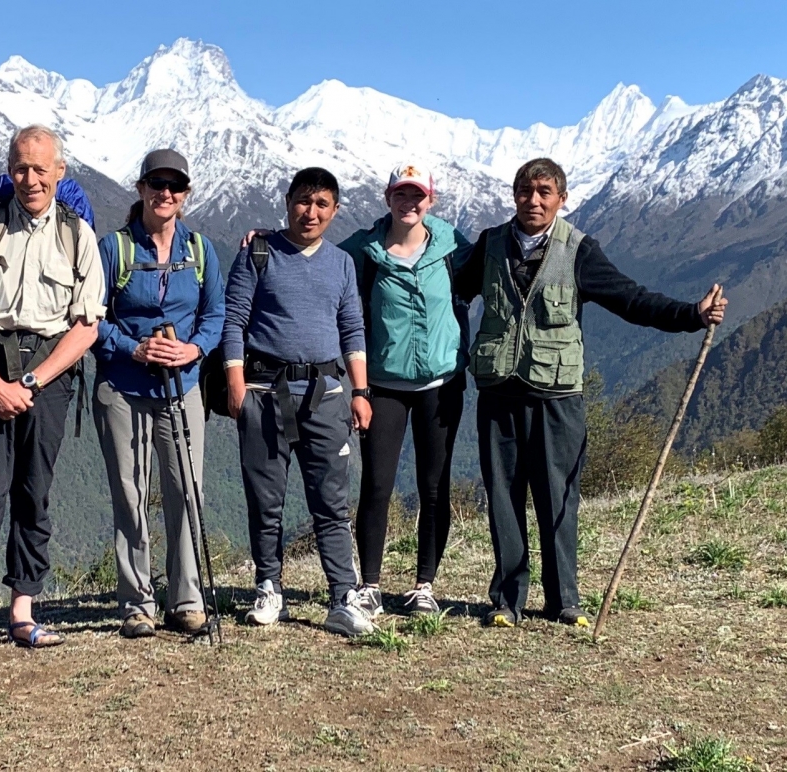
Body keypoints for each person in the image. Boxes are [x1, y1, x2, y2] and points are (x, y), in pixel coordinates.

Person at [453, 157, 728, 628]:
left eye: (544, 192)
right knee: (503, 495)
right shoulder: (489, 245)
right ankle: (507, 600)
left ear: (562, 198)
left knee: (558, 496)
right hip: (499, 391)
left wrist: (690, 315)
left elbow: (630, 298)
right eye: (525, 191)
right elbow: (450, 290)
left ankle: (565, 601)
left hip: (559, 395)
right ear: (514, 195)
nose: (533, 201)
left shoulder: (578, 250)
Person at [0, 124, 104, 658]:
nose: (30, 179)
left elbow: (86, 325)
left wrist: (31, 381)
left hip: (48, 374)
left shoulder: (77, 233)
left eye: (40, 169)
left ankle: (22, 610)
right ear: (7, 169)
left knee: (35, 491)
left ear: (59, 171)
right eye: (20, 167)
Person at [222, 167, 375, 638]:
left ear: (335, 210)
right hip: (265, 393)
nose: (311, 212)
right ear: (288, 201)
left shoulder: (341, 263)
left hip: (327, 394)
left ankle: (342, 596)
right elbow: (234, 321)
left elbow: (352, 327)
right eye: (303, 201)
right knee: (265, 500)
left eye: (322, 204)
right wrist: (235, 384)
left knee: (331, 501)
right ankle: (269, 587)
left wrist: (361, 391)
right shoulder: (258, 252)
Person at [93, 149, 225, 639]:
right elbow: (91, 320)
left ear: (186, 194)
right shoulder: (115, 248)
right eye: (156, 184)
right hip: (123, 387)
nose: (165, 193)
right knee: (130, 494)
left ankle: (186, 600)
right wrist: (134, 348)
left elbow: (216, 315)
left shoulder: (202, 250)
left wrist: (192, 350)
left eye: (175, 186)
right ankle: (136, 603)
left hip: (182, 386)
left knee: (186, 491)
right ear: (141, 188)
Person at [338, 163, 470, 617]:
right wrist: (266, 241)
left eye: (417, 196)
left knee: (434, 487)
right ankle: (370, 585)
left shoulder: (453, 248)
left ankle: (424, 586)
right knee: (377, 484)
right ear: (387, 198)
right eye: (401, 194)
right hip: (383, 385)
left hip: (442, 382)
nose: (408, 203)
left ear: (430, 201)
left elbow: (499, 270)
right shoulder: (363, 250)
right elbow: (313, 262)